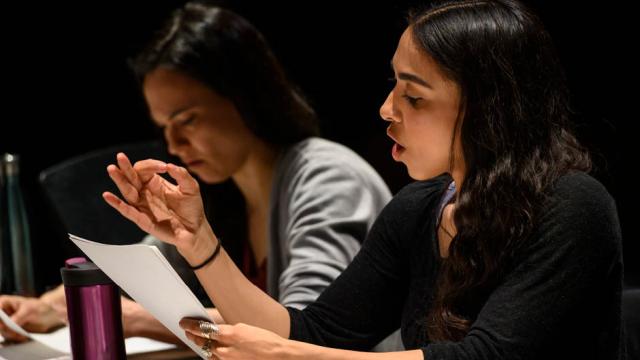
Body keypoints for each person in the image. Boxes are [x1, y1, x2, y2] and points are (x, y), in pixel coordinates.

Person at [103, 0, 625, 359]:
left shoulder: (573, 205)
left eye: (413, 96)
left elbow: (485, 355)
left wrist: (289, 355)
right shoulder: (419, 208)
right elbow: (313, 330)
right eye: (392, 85)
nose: (386, 109)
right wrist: (200, 243)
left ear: (490, 109)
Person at [0, 2, 392, 346]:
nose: (173, 146)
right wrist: (51, 305)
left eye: (186, 120)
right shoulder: (222, 189)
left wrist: (136, 318)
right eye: (164, 128)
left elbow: (300, 331)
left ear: (246, 95)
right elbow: (143, 271)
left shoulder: (329, 178)